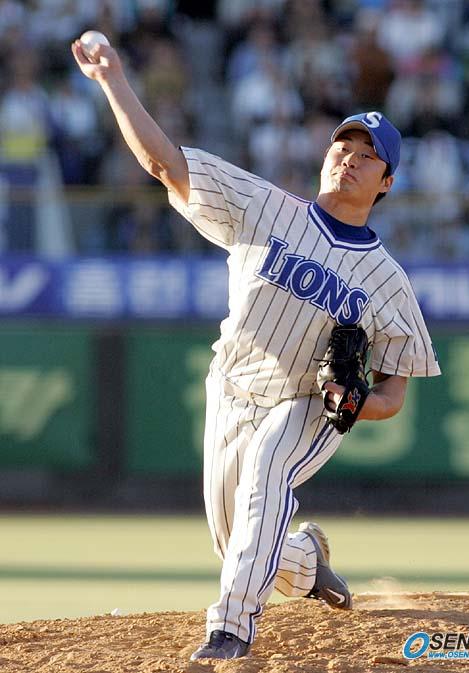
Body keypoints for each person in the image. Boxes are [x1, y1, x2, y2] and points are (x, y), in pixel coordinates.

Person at [72, 38, 441, 660]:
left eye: (368, 156)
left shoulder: (388, 282)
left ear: (387, 182)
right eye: (343, 148)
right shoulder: (264, 208)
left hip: (304, 404)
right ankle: (307, 559)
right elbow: (165, 164)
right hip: (231, 386)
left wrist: (354, 402)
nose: (350, 160)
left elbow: (393, 393)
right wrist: (113, 81)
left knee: (268, 474)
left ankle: (231, 629)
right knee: (237, 540)